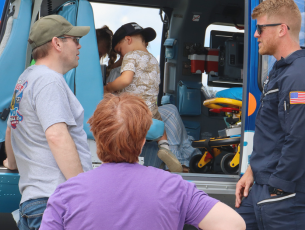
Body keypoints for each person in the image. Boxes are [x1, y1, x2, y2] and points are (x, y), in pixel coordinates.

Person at [40, 93, 246, 230]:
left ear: (97, 136)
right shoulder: (174, 187)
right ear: (142, 142)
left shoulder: (65, 194)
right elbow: (235, 224)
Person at [235, 0, 305, 229]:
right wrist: (251, 171)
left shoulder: (300, 76)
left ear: (281, 30)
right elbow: (273, 132)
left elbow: (299, 138)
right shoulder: (281, 71)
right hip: (260, 187)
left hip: (280, 195)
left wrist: (279, 187)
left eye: (260, 28)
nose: (256, 34)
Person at [3, 15, 93, 230]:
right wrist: (82, 192)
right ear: (57, 42)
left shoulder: (26, 79)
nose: (80, 45)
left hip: (35, 203)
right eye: (75, 39)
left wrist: (12, 164)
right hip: (56, 204)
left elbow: (10, 130)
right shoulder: (49, 80)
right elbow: (57, 136)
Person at [104, 22, 182, 172]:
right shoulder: (153, 59)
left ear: (128, 40)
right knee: (160, 125)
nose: (122, 56)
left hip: (132, 110)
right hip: (150, 111)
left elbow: (126, 80)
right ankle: (165, 147)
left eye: (120, 51)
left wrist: (108, 88)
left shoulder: (131, 56)